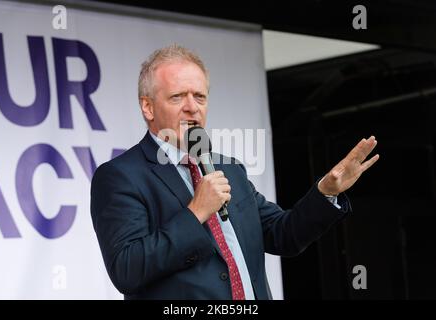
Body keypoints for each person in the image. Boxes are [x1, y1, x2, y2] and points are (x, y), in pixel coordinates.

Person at [90, 44, 379, 300]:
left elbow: (283, 235)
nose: (192, 108)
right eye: (178, 97)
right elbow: (127, 269)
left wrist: (325, 193)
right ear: (148, 107)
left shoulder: (229, 168)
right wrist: (195, 213)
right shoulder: (120, 176)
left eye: (200, 97)